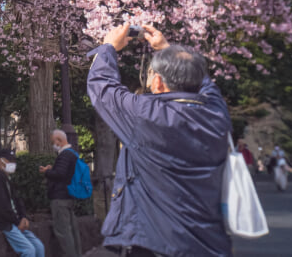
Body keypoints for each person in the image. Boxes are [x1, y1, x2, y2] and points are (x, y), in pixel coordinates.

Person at [87, 24, 232, 257]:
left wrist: (108, 48)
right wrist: (167, 49)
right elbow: (205, 84)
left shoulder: (146, 115)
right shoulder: (216, 114)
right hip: (210, 244)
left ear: (158, 84)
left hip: (155, 243)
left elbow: (102, 88)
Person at [0, 148, 45, 257]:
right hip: (3, 223)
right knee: (29, 251)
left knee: (39, 247)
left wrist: (24, 217)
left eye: (14, 161)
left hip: (14, 222)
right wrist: (17, 221)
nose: (13, 164)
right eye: (10, 161)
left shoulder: (8, 179)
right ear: (1, 161)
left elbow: (18, 200)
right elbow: (1, 206)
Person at [38, 129, 82, 257]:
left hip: (60, 198)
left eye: (53, 142)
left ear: (59, 140)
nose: (53, 145)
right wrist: (52, 169)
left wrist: (46, 172)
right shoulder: (73, 154)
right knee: (73, 231)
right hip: (69, 196)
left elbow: (60, 174)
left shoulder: (64, 154)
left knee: (63, 232)